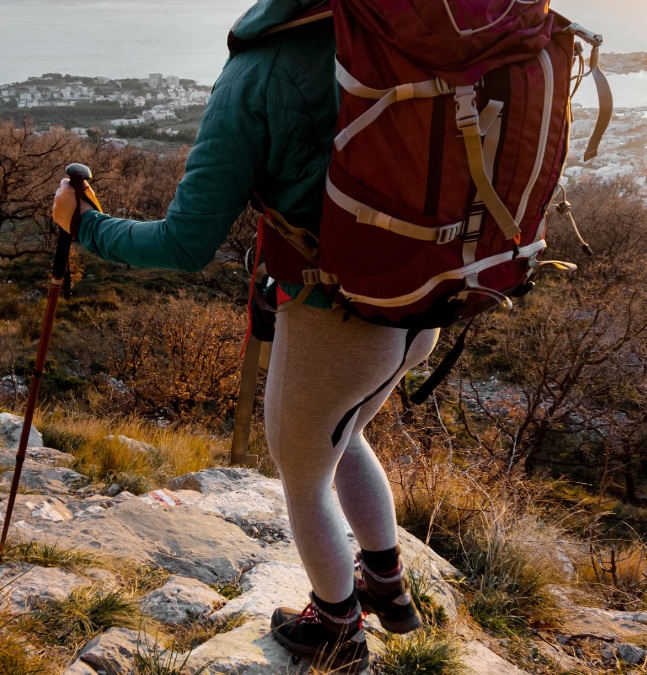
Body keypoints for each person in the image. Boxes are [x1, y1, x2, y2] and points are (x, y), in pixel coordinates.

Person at [52, 0, 438, 670]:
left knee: (302, 470)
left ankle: (338, 631)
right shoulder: (399, 32)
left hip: (336, 311)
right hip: (423, 297)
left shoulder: (259, 68)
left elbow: (184, 242)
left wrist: (81, 227)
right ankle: (386, 584)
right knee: (345, 435)